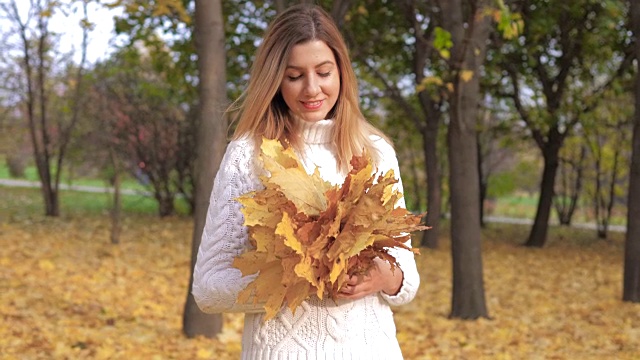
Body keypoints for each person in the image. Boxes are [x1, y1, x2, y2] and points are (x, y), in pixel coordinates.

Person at [192, 4, 420, 359]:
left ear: (341, 72)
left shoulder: (376, 152)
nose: (312, 88)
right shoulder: (248, 156)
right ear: (275, 79)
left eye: (324, 72)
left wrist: (381, 278)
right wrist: (301, 276)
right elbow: (208, 289)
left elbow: (407, 279)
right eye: (294, 76)